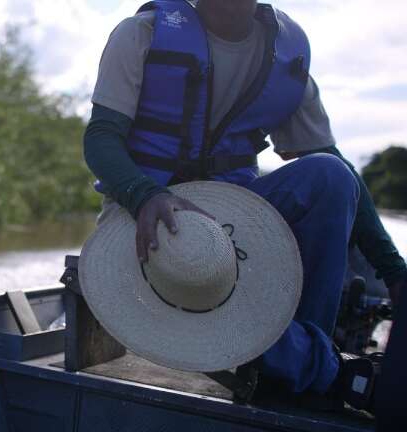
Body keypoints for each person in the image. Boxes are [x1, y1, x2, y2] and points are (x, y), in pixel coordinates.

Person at [83, 0, 407, 407]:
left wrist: (393, 269)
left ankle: (298, 371)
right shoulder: (140, 34)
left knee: (332, 176)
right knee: (188, 262)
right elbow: (100, 138)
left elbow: (336, 165)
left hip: (235, 210)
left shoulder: (287, 56)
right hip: (144, 210)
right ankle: (329, 374)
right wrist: (144, 194)